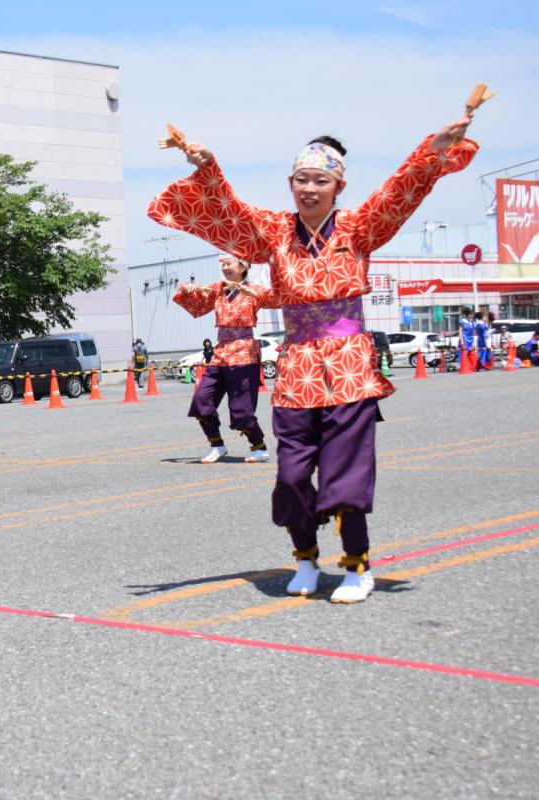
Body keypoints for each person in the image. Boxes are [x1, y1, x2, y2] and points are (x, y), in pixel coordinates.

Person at [149, 112, 478, 604]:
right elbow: (231, 212)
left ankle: (356, 567)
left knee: (345, 474)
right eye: (301, 179)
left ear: (338, 184)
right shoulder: (274, 232)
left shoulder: (360, 227)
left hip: (349, 366)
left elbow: (399, 192)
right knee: (292, 475)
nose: (309, 188)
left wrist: (432, 148)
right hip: (297, 365)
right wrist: (209, 165)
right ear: (290, 183)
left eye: (320, 180)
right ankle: (304, 557)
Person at [173, 256, 275, 464]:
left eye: (230, 264)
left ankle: (259, 447)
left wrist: (253, 293)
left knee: (241, 409)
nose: (225, 268)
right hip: (220, 354)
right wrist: (189, 290)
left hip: (244, 352)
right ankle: (217, 445)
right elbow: (198, 307)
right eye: (224, 265)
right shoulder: (218, 288)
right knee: (202, 400)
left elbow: (278, 299)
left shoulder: (253, 289)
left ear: (243, 267)